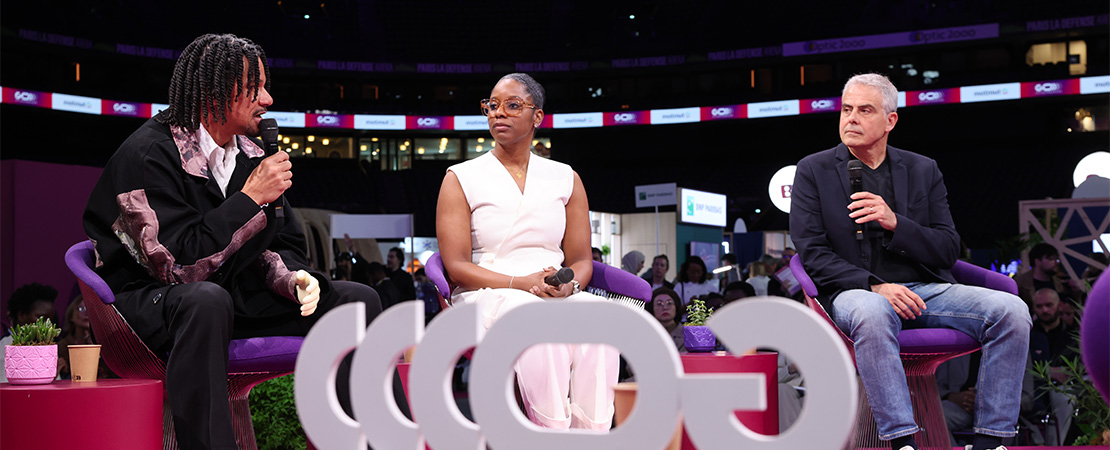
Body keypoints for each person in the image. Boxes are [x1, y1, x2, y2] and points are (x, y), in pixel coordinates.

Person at [82, 33, 382, 450]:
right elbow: (177, 269)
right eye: (255, 88)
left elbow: (284, 242)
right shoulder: (147, 155)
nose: (268, 100)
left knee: (355, 301)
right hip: (148, 307)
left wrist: (291, 277)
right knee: (205, 300)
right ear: (215, 92)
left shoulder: (251, 155)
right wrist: (249, 198)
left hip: (226, 297)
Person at [790, 73, 1029, 450]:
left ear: (890, 120)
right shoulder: (812, 170)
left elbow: (948, 248)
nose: (851, 118)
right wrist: (875, 286)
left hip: (925, 292)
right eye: (846, 109)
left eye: (864, 110)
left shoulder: (922, 169)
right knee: (872, 311)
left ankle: (991, 440)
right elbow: (812, 253)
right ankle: (902, 441)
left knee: (1012, 310)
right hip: (854, 293)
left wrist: (895, 223)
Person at [435, 73, 617, 431]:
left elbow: (582, 260)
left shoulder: (566, 177)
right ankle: (551, 434)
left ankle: (592, 435)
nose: (498, 113)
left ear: (538, 116)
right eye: (492, 105)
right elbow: (455, 267)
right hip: (487, 291)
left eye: (512, 105)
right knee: (537, 323)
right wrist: (521, 282)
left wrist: (569, 286)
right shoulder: (460, 177)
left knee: (602, 319)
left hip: (551, 289)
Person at [1029, 288, 1078, 445]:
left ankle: (1056, 445)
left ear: (1059, 306)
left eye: (1049, 305)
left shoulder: (1072, 336)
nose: (1044, 310)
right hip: (1031, 387)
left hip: (1061, 387)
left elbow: (1076, 368)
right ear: (1033, 308)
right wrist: (1047, 371)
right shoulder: (1027, 333)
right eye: (1039, 306)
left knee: (1065, 397)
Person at [1, 282, 59, 382]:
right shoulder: (5, 346)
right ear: (21, 315)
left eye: (51, 319)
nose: (47, 324)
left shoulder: (49, 347)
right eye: (41, 318)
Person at [1015, 243, 1085, 309]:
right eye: (1051, 259)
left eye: (1057, 259)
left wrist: (1076, 292)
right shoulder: (1020, 285)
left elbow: (1073, 308)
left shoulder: (1062, 282)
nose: (1056, 263)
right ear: (1037, 261)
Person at [651, 287, 685, 353]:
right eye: (659, 304)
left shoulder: (687, 335)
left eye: (669, 303)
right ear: (652, 308)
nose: (665, 308)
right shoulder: (646, 334)